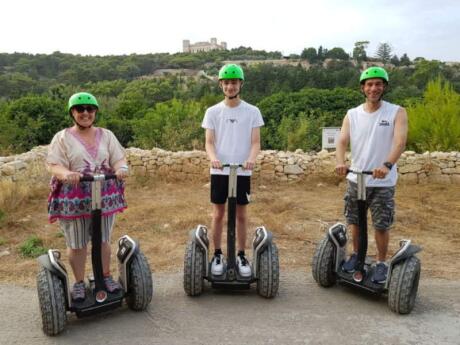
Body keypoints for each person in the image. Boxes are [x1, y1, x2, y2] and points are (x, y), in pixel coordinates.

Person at [47, 92, 129, 301]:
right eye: (80, 109)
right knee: (77, 242)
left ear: (95, 112)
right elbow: (54, 165)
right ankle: (79, 282)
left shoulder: (107, 135)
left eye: (90, 109)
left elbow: (119, 159)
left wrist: (121, 169)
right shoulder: (62, 137)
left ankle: (105, 276)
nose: (85, 113)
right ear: (72, 112)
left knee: (103, 239)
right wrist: (66, 174)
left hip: (104, 195)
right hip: (74, 197)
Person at [335, 66, 408, 284]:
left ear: (384, 87)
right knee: (355, 222)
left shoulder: (396, 112)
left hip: (382, 181)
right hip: (356, 178)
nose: (373, 88)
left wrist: (386, 165)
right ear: (363, 88)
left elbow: (399, 142)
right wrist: (340, 161)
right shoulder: (352, 114)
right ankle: (357, 255)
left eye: (378, 84)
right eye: (369, 84)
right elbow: (341, 140)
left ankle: (382, 263)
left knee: (381, 225)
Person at [202, 64, 264, 277]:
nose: (230, 86)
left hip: (242, 171)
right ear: (221, 85)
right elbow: (209, 142)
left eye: (234, 82)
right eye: (226, 82)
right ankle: (217, 254)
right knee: (218, 213)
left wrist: (250, 160)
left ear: (241, 84)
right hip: (220, 171)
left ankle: (240, 254)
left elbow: (256, 143)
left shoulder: (252, 111)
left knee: (241, 215)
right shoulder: (212, 112)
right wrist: (214, 159)